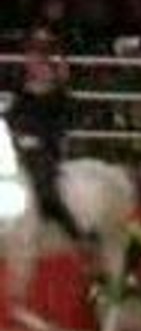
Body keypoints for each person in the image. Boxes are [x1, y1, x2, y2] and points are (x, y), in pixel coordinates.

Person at [7, 28, 90, 243]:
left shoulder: (58, 94)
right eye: (32, 55)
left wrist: (38, 138)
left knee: (43, 186)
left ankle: (71, 229)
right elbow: (12, 117)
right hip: (18, 145)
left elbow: (63, 122)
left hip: (45, 147)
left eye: (39, 55)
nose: (33, 62)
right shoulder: (22, 89)